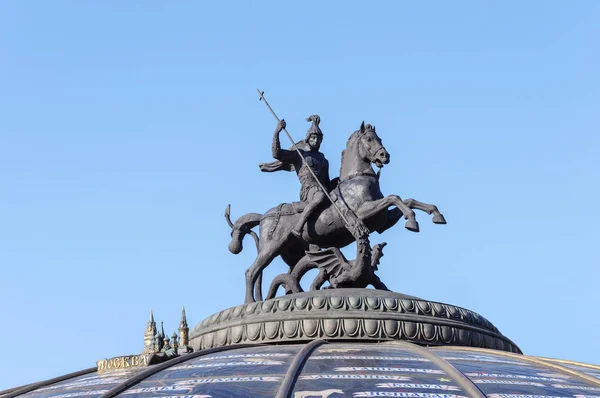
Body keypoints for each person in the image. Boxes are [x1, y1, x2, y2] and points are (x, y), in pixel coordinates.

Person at [264, 115, 333, 238]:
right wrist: (277, 132)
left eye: (318, 139)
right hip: (309, 189)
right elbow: (276, 154)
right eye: (313, 138)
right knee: (320, 196)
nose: (315, 141)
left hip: (322, 189)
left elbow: (327, 182)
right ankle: (299, 226)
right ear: (308, 138)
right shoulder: (299, 154)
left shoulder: (324, 160)